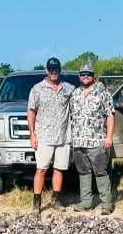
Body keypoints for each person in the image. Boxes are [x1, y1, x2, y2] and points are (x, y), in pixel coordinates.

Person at [27, 57, 74, 215]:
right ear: (46, 70)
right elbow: (31, 112)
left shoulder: (68, 89)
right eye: (51, 69)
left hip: (63, 137)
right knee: (41, 170)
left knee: (59, 169)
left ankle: (55, 200)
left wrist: (97, 85)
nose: (54, 72)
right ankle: (36, 203)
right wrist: (32, 134)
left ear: (60, 70)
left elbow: (83, 93)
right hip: (44, 137)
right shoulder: (37, 89)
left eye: (57, 69)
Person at [69, 62, 115, 215]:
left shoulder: (103, 93)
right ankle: (86, 203)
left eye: (88, 74)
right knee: (83, 173)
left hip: (97, 141)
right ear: (79, 77)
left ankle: (106, 204)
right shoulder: (74, 94)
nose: (85, 76)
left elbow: (110, 115)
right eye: (83, 74)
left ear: (94, 76)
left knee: (101, 172)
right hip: (79, 141)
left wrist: (109, 137)